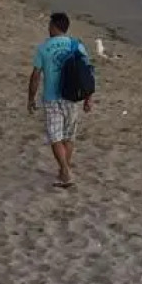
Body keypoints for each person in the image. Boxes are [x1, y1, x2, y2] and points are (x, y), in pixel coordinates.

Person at [27, 11, 93, 189]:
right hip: (72, 97)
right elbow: (87, 74)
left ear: (54, 27)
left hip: (52, 97)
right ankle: (64, 171)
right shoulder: (76, 45)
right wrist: (88, 98)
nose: (48, 28)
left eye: (49, 25)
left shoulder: (43, 48)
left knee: (55, 137)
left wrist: (30, 98)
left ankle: (65, 171)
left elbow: (35, 76)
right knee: (68, 136)